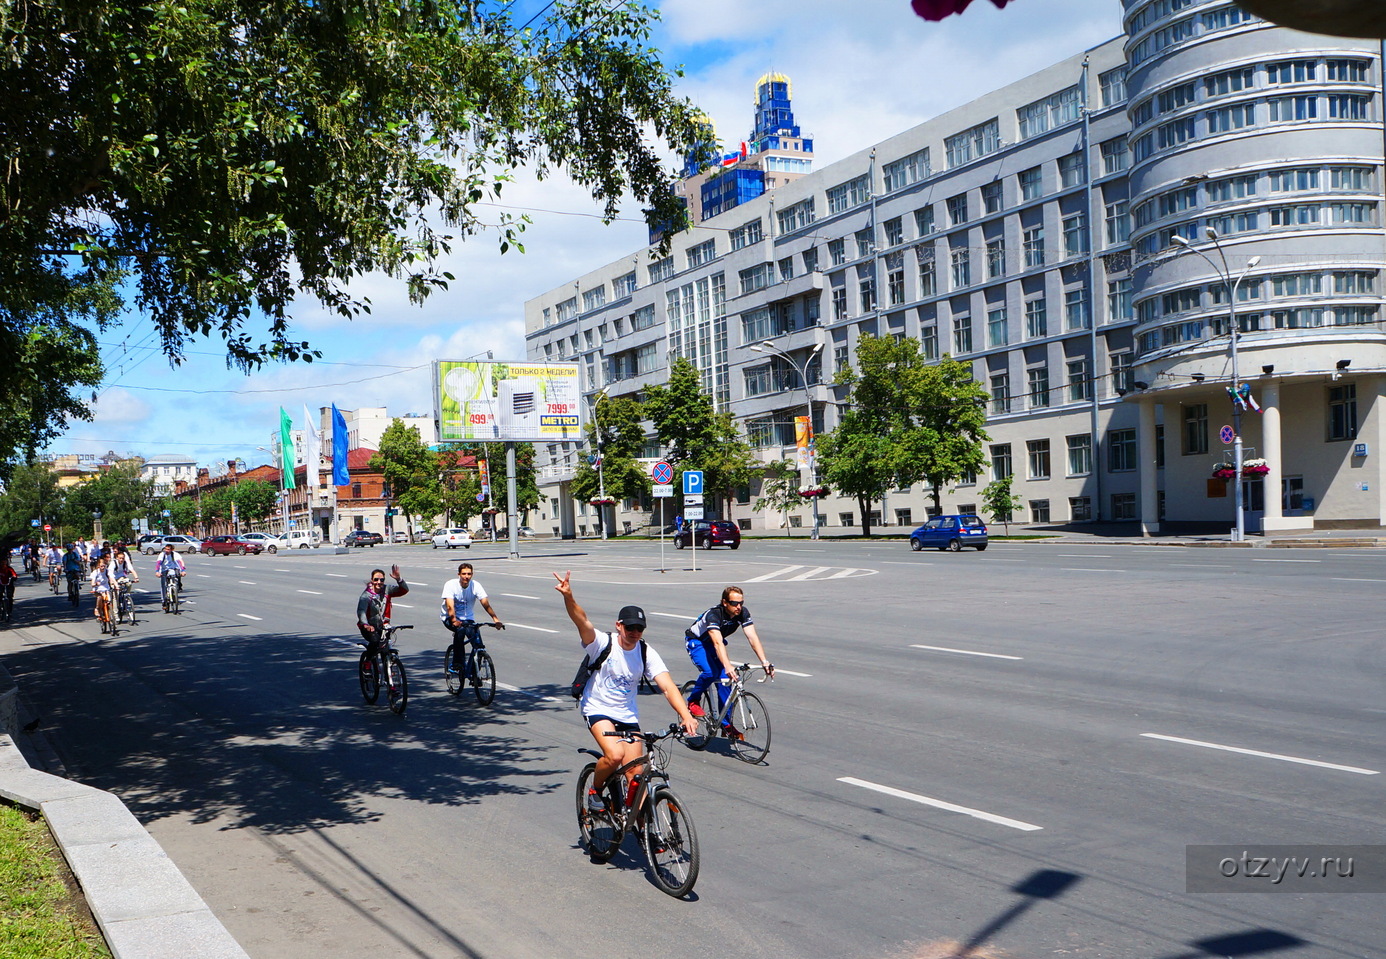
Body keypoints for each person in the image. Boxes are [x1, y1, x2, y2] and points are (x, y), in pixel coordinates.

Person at [553, 570, 697, 814]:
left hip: (626, 715)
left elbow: (668, 686)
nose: (634, 632)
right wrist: (569, 596)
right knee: (615, 754)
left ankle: (645, 832)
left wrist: (685, 715)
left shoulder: (645, 651)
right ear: (618, 625)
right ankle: (595, 790)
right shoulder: (602, 643)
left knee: (636, 773)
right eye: (630, 627)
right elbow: (582, 621)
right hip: (598, 708)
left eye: (639, 628)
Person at [682, 585, 775, 740]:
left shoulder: (742, 613)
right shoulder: (714, 615)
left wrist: (764, 661)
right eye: (734, 603)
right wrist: (727, 665)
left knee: (726, 680)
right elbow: (717, 643)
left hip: (715, 644)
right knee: (710, 672)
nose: (738, 607)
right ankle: (693, 700)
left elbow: (752, 637)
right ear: (724, 602)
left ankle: (725, 724)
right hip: (697, 643)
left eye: (741, 603)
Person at [439, 562, 504, 674]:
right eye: (464, 574)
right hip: (449, 617)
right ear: (458, 574)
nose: (466, 576)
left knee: (478, 644)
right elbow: (450, 605)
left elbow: (485, 604)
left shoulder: (476, 585)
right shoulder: (450, 585)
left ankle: (475, 673)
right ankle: (457, 663)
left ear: (472, 575)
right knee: (460, 631)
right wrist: (454, 620)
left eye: (469, 574)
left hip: (468, 619)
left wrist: (495, 619)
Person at [357, 565, 409, 660]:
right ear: (372, 580)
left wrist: (399, 579)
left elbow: (404, 590)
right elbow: (361, 611)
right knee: (375, 641)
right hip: (368, 627)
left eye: (382, 580)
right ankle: (368, 664)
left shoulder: (386, 590)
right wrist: (366, 625)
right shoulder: (366, 596)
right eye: (376, 579)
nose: (379, 582)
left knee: (385, 648)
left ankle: (387, 669)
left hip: (383, 626)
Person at [154, 543, 186, 609]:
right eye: (166, 549)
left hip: (174, 568)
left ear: (172, 550)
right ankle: (164, 601)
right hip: (164, 569)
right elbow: (158, 563)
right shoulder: (162, 555)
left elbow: (180, 562)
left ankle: (177, 589)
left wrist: (183, 570)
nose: (166, 550)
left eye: (168, 549)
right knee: (164, 585)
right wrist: (157, 572)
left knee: (177, 576)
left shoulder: (175, 554)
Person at [89, 553, 115, 629]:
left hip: (106, 589)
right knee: (100, 598)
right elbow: (92, 582)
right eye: (101, 566)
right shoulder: (95, 573)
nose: (103, 567)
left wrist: (113, 583)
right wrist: (95, 583)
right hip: (98, 589)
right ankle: (97, 609)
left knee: (109, 599)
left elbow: (111, 578)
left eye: (104, 566)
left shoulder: (107, 571)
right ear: (98, 566)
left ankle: (110, 612)